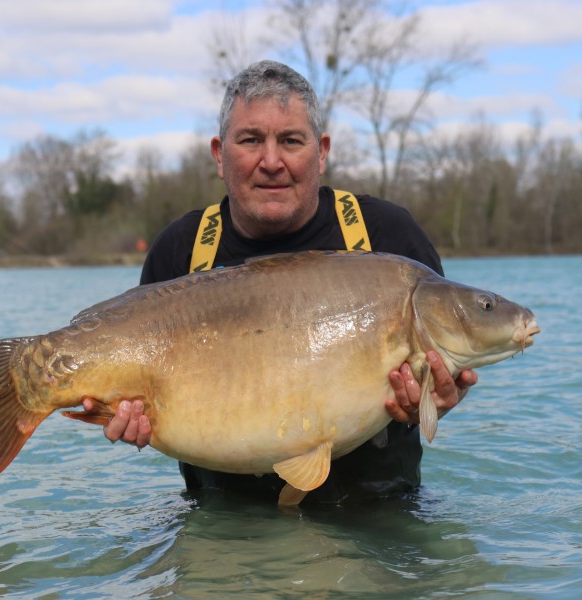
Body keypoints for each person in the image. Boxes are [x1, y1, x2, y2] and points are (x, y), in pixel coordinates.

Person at [86, 60, 477, 504]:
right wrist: (126, 416)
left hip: (379, 516)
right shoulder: (180, 251)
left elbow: (442, 381)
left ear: (322, 151)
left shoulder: (389, 237)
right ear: (219, 154)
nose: (271, 161)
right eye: (250, 140)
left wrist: (443, 396)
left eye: (291, 141)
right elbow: (141, 396)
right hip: (223, 522)